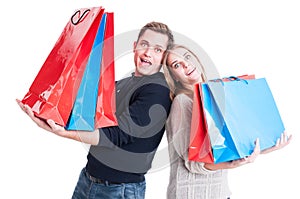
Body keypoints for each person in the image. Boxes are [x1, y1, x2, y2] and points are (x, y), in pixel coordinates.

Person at [17, 21, 174, 199]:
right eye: (144, 44)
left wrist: (63, 132)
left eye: (157, 49)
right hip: (88, 179)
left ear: (164, 57)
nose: (148, 53)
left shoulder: (158, 89)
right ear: (134, 47)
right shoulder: (121, 84)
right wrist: (47, 113)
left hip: (119, 190)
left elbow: (117, 135)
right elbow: (87, 112)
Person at [162, 44, 292, 199]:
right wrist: (234, 164)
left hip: (220, 193)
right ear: (174, 76)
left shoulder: (213, 97)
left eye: (187, 56)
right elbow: (193, 163)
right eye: (176, 65)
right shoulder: (182, 103)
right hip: (191, 194)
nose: (185, 64)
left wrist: (264, 148)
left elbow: (230, 147)